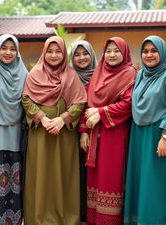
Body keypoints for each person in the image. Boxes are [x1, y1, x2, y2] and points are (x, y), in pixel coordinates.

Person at [22, 36, 87, 225]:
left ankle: (66, 218)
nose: (53, 55)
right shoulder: (34, 74)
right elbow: (26, 99)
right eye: (50, 51)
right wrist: (42, 118)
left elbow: (80, 102)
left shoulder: (71, 75)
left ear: (64, 53)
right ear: (44, 52)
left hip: (63, 134)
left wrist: (62, 120)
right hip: (40, 134)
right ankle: (38, 218)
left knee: (64, 174)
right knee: (40, 173)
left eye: (58, 51)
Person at [123, 35, 166, 225]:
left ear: (162, 52)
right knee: (143, 182)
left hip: (160, 137)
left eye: (154, 51)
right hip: (140, 136)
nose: (149, 55)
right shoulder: (140, 75)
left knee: (159, 184)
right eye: (145, 51)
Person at [79, 37, 137, 225]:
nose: (112, 55)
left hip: (115, 135)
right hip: (93, 135)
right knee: (94, 180)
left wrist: (101, 112)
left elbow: (128, 104)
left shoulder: (130, 74)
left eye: (116, 51)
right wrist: (83, 131)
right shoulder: (98, 73)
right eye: (108, 51)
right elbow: (85, 102)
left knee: (111, 178)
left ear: (124, 52)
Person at [0, 34, 28, 224]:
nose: (8, 52)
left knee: (16, 182)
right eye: (4, 48)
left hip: (17, 135)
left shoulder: (24, 73)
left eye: (12, 48)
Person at [70, 40, 97, 224]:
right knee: (73, 171)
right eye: (77, 54)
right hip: (68, 132)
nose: (81, 58)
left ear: (92, 55)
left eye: (85, 53)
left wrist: (85, 130)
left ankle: (90, 212)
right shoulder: (67, 76)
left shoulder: (101, 76)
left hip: (94, 131)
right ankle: (76, 210)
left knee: (91, 172)